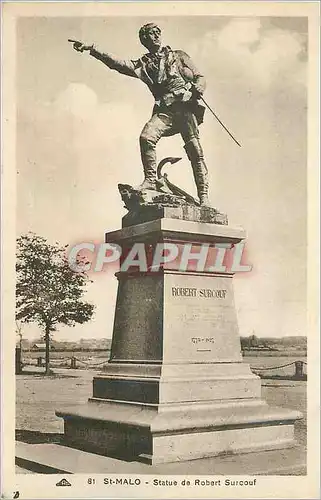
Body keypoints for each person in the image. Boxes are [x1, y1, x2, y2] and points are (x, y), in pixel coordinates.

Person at [71, 23, 210, 206]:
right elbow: (118, 64)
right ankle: (151, 180)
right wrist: (93, 49)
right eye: (150, 35)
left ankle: (204, 197)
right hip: (165, 110)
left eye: (156, 33)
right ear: (144, 41)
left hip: (185, 108)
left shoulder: (179, 55)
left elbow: (200, 77)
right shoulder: (143, 65)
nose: (155, 36)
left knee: (195, 151)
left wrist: (197, 89)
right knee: (146, 137)